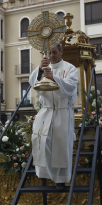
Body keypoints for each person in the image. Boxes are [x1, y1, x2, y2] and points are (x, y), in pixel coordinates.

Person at [29, 43, 78, 189]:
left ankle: (60, 179)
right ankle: (44, 173)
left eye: (54, 52)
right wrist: (39, 68)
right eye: (49, 53)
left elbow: (70, 87)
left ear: (61, 51)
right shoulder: (43, 68)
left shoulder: (70, 68)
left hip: (62, 111)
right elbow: (33, 82)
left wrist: (54, 77)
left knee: (60, 145)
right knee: (43, 141)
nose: (51, 55)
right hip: (46, 110)